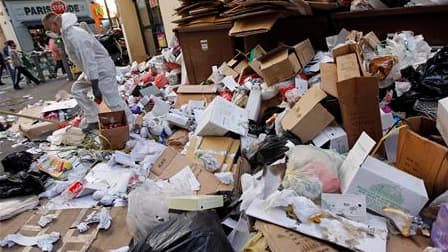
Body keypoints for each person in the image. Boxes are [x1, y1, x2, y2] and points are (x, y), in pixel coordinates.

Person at [42, 12, 133, 130]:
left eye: (50, 29)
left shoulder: (76, 36)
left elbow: (89, 60)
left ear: (55, 24)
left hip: (101, 70)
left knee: (111, 100)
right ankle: (93, 119)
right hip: (91, 70)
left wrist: (95, 87)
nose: (51, 32)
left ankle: (130, 124)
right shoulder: (67, 33)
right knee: (77, 90)